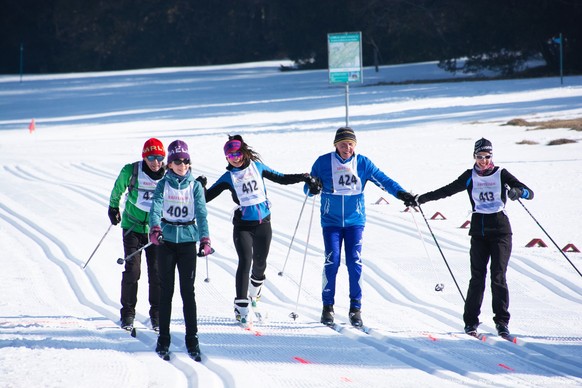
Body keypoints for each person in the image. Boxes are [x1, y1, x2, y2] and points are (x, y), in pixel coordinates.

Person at [408, 138, 534, 337]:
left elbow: (529, 193)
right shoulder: (470, 176)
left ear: (491, 156)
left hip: (501, 231)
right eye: (479, 157)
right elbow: (446, 190)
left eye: (486, 157)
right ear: (474, 157)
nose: (483, 161)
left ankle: (502, 322)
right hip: (479, 232)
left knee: (498, 277)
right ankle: (470, 323)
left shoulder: (501, 174)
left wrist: (519, 191)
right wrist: (421, 199)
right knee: (477, 278)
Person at [200, 134, 320, 325]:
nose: (236, 158)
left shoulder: (257, 167)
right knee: (245, 261)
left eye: (238, 153)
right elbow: (205, 198)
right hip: (243, 227)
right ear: (227, 159)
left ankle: (254, 295)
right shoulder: (228, 177)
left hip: (264, 223)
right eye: (231, 156)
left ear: (244, 152)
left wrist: (304, 178)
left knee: (260, 264)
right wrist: (200, 188)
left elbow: (281, 178)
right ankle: (241, 307)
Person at [306, 127, 415, 327]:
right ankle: (327, 307)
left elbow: (384, 181)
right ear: (335, 145)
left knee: (354, 262)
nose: (346, 148)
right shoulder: (323, 162)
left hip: (355, 221)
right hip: (331, 222)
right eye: (342, 144)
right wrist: (312, 187)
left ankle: (355, 308)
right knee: (333, 261)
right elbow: (309, 187)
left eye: (350, 144)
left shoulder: (363, 163)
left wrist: (402, 194)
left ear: (355, 145)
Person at [148, 140, 211, 360]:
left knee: (188, 292)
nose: (182, 165)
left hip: (187, 242)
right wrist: (155, 228)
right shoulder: (162, 185)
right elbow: (155, 208)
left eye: (185, 161)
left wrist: (205, 239)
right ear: (170, 163)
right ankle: (163, 339)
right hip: (166, 242)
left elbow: (202, 215)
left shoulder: (195, 186)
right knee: (166, 292)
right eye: (177, 161)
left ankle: (192, 340)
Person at [108, 138, 165, 331]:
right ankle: (128, 314)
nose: (155, 162)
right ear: (144, 157)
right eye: (151, 157)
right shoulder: (131, 171)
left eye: (159, 157)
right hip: (132, 227)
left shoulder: (169, 175)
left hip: (156, 231)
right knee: (133, 271)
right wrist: (113, 207)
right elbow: (118, 189)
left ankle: (157, 315)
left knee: (157, 273)